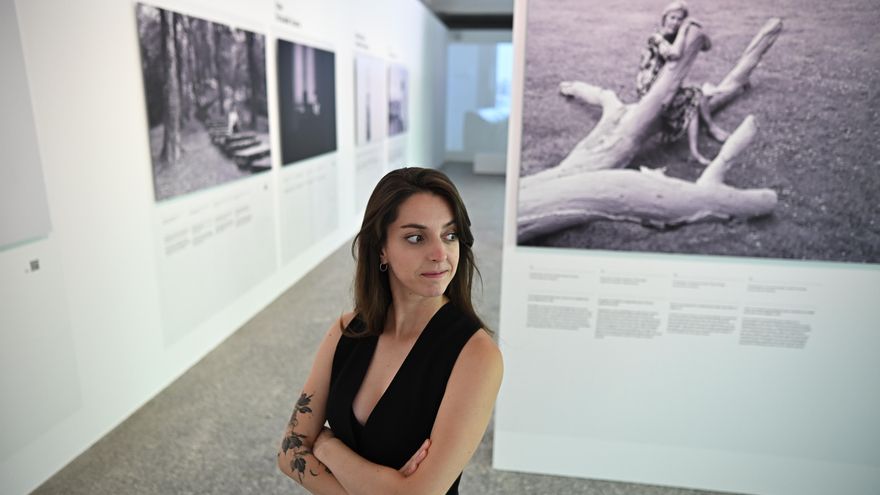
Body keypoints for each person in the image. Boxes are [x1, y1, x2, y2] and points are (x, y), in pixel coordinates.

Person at [278, 167, 503, 495]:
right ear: (381, 248)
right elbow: (288, 452)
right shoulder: (347, 331)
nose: (440, 254)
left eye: (449, 235)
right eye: (416, 237)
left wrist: (326, 446)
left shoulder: (476, 356)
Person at [636, 0, 730, 165]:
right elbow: (674, 54)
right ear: (664, 18)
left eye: (680, 19)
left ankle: (695, 151)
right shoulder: (655, 37)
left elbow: (706, 46)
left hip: (665, 85)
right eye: (672, 18)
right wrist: (685, 30)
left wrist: (696, 28)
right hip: (649, 90)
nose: (675, 22)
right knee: (695, 95)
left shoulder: (676, 36)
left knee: (694, 97)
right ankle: (710, 128)